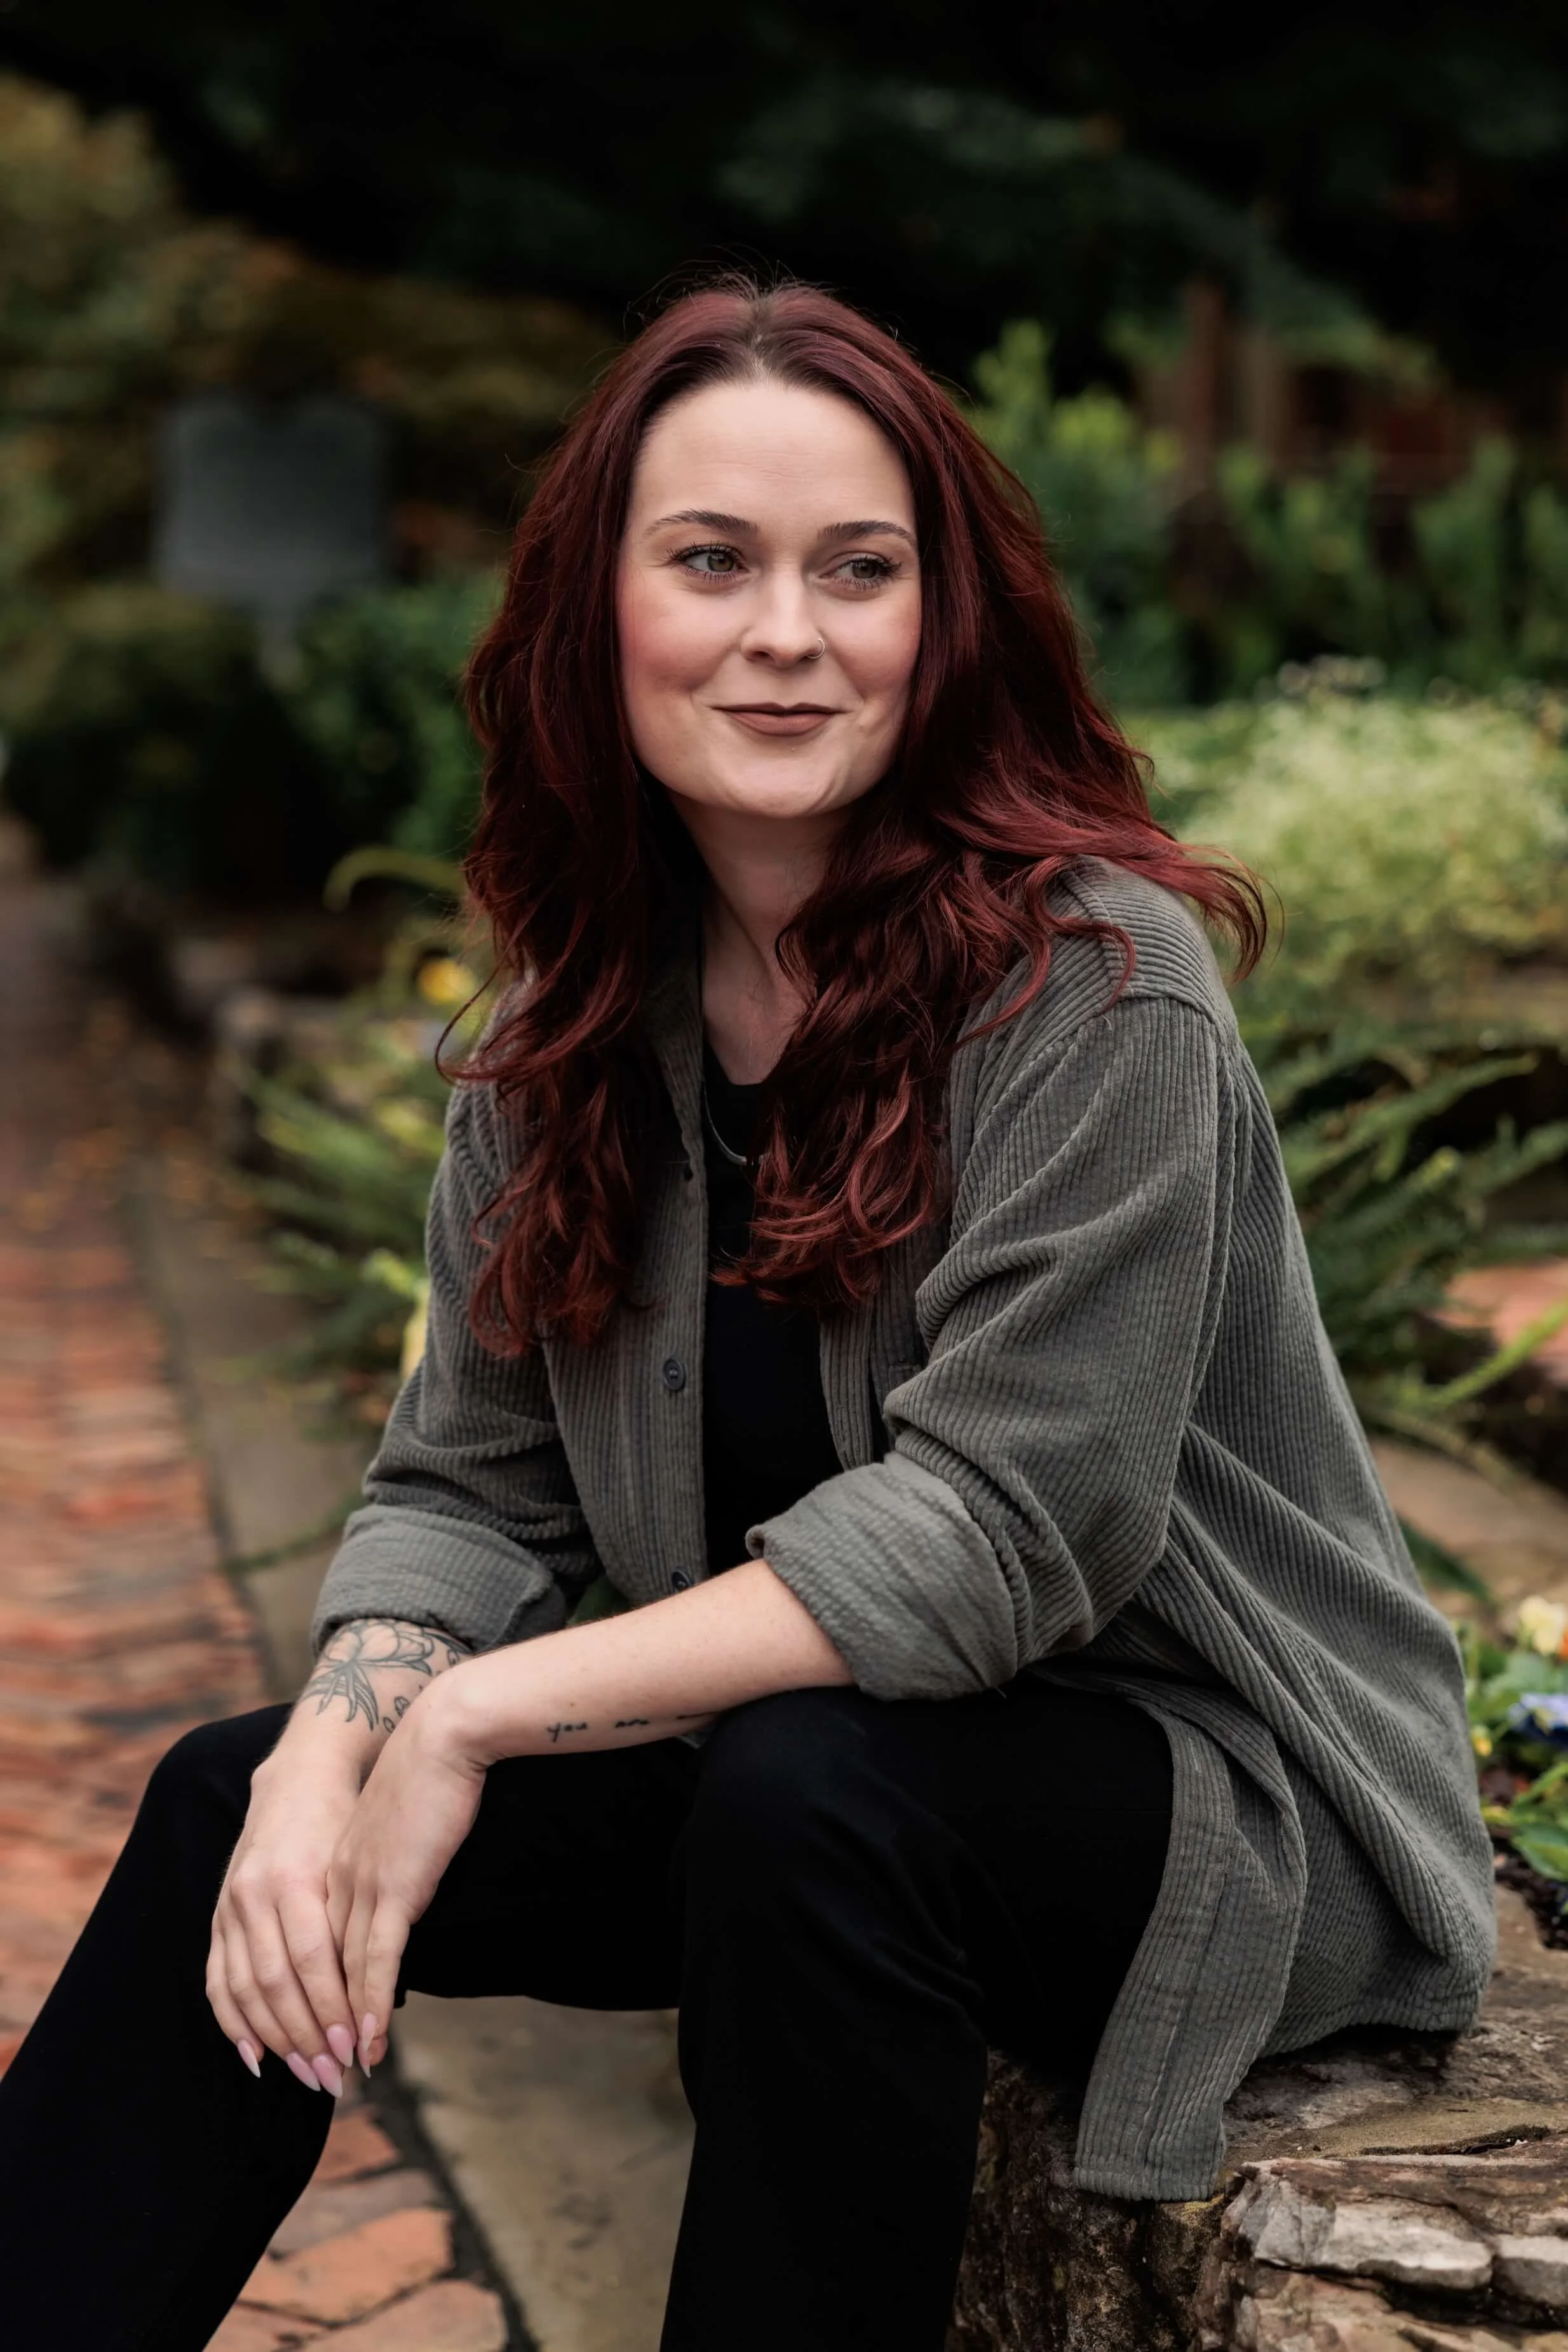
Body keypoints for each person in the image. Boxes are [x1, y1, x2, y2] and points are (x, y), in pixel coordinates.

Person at [0, 279, 1494, 2352]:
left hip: (1200, 1791)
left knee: (813, 1801)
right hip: (819, 1767)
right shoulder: (563, 1026)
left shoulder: (1102, 989)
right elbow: (467, 1482)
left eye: (856, 572)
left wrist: (475, 1712)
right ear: (594, 614)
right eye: (711, 561)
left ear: (938, 621)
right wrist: (336, 1741)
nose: (785, 631)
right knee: (220, 1807)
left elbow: (1006, 1530)